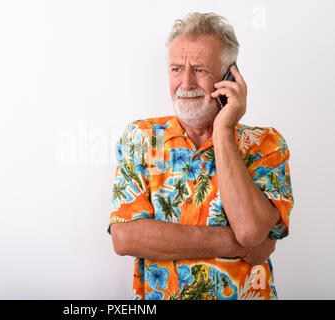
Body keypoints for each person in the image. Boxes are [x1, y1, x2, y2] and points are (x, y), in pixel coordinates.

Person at [108, 12, 294, 300]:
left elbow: (249, 230)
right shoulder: (143, 138)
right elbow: (125, 237)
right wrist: (234, 245)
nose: (186, 82)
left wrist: (223, 129)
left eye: (200, 69)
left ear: (229, 77)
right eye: (176, 69)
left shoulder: (266, 144)